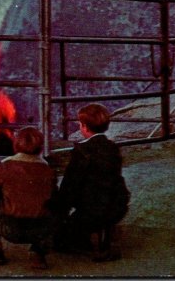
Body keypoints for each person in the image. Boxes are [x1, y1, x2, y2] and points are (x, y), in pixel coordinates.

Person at [56, 104, 130, 262]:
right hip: (116, 205)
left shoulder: (82, 152)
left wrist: (60, 210)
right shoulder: (112, 148)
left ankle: (91, 244)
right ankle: (105, 234)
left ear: (84, 127)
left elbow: (70, 185)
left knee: (62, 237)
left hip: (91, 209)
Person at [0, 126, 57, 269]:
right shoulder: (48, 170)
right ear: (40, 147)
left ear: (16, 144)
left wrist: (2, 202)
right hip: (40, 230)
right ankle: (38, 252)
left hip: (9, 227)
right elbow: (55, 199)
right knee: (52, 209)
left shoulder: (6, 167)